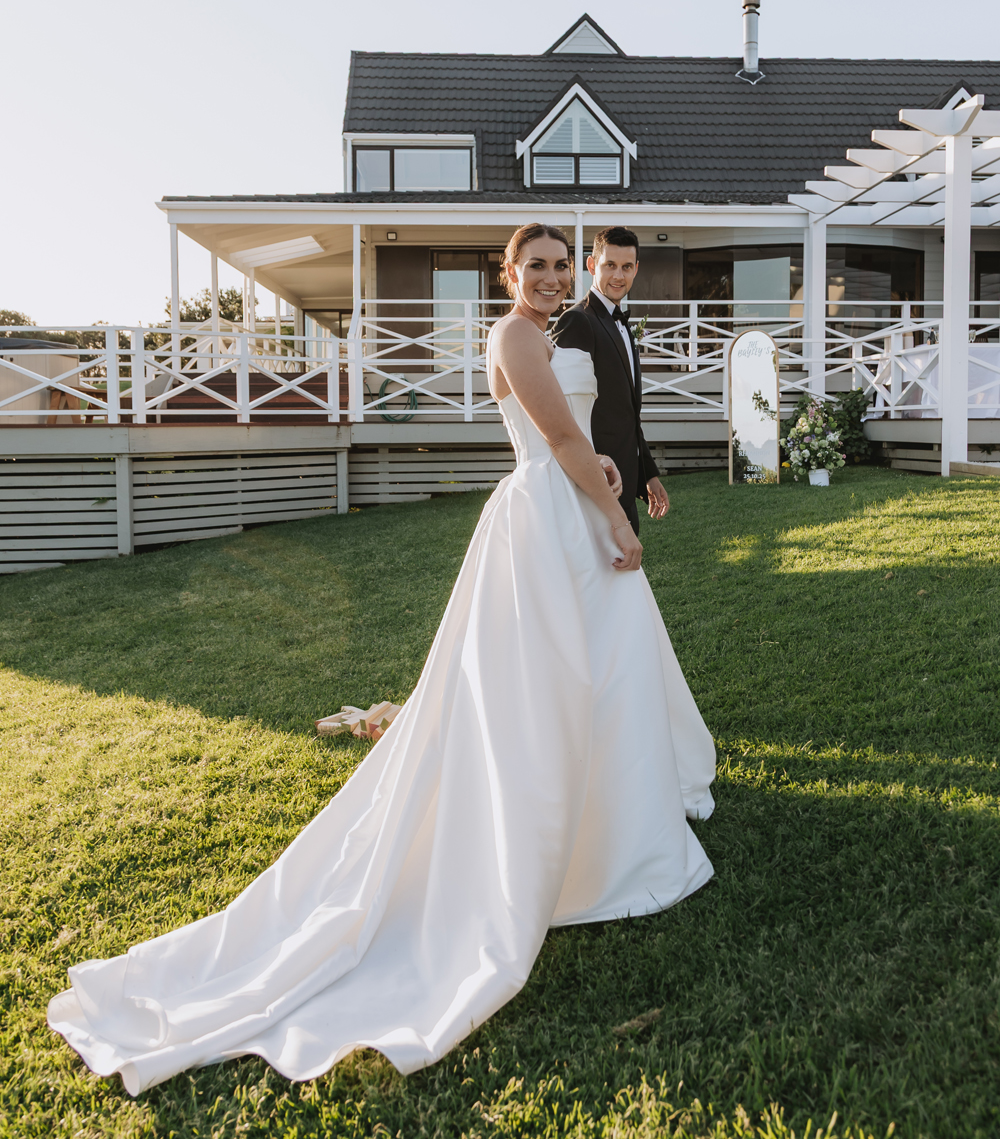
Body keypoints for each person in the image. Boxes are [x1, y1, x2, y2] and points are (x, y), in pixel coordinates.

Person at [48, 223, 715, 1097]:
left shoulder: (547, 336)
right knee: (551, 685)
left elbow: (578, 434)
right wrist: (616, 518)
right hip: (553, 520)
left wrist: (606, 476)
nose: (552, 278)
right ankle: (580, 841)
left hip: (572, 508)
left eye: (562, 265)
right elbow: (555, 442)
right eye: (537, 266)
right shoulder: (516, 334)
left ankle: (612, 828)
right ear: (507, 273)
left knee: (603, 675)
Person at [550, 225, 668, 536]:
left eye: (627, 267)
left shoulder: (622, 325)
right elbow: (562, 410)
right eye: (610, 265)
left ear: (636, 269)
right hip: (596, 486)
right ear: (591, 265)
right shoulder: (578, 321)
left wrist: (648, 473)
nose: (619, 275)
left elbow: (626, 412)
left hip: (626, 483)